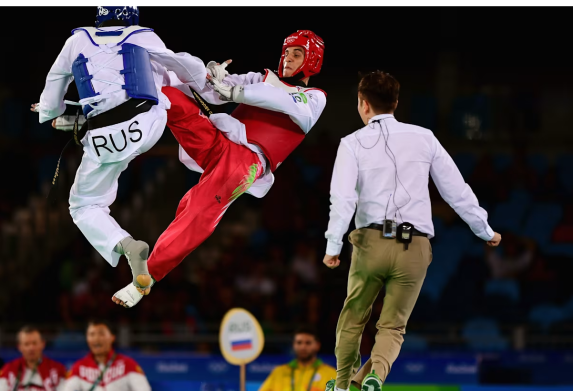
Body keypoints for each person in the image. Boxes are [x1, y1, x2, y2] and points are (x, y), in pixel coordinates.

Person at [113, 30, 327, 308]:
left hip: (245, 162)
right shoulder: (259, 77)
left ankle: (147, 278)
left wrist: (238, 92)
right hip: (217, 141)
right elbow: (213, 92)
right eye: (286, 52)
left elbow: (281, 101)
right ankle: (107, 110)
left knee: (197, 210)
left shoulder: (314, 97)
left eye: (297, 54)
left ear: (312, 60)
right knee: (168, 96)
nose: (287, 58)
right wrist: (211, 76)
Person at [322, 71, 502, 391]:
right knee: (393, 326)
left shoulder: (351, 144)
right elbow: (454, 188)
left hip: (371, 243)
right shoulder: (424, 137)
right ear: (396, 103)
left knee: (353, 320)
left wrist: (333, 246)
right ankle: (375, 374)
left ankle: (341, 385)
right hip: (413, 244)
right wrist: (484, 229)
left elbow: (343, 199)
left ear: (363, 104)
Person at [32, 6, 207, 293]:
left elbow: (52, 94)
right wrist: (204, 76)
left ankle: (126, 244)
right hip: (148, 124)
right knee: (163, 76)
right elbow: (186, 67)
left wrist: (51, 112)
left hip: (104, 138)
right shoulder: (143, 35)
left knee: (84, 206)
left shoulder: (76, 41)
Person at [63, 320, 149, 391]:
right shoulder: (78, 368)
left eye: (101, 334)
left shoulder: (128, 365)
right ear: (87, 338)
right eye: (92, 334)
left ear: (112, 337)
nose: (96, 338)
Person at [0, 326, 67, 391]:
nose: (31, 348)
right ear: (19, 347)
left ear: (43, 344)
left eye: (34, 343)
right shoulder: (9, 369)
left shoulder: (58, 369)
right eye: (26, 344)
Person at [259, 327, 336, 391]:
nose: (303, 347)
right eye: (299, 342)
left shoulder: (331, 374)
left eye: (308, 343)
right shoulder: (278, 372)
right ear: (293, 345)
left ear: (317, 345)